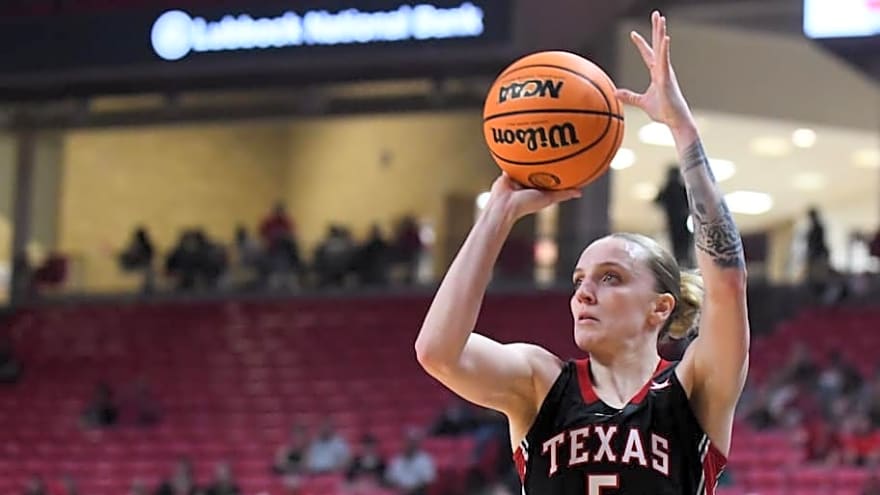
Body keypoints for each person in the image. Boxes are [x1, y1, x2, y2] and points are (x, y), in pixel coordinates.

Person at [414, 12, 749, 495]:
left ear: (661, 306)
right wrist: (498, 215)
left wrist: (682, 129)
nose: (584, 292)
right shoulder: (540, 382)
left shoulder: (695, 388)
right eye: (578, 280)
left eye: (611, 277)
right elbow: (437, 352)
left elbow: (728, 281)